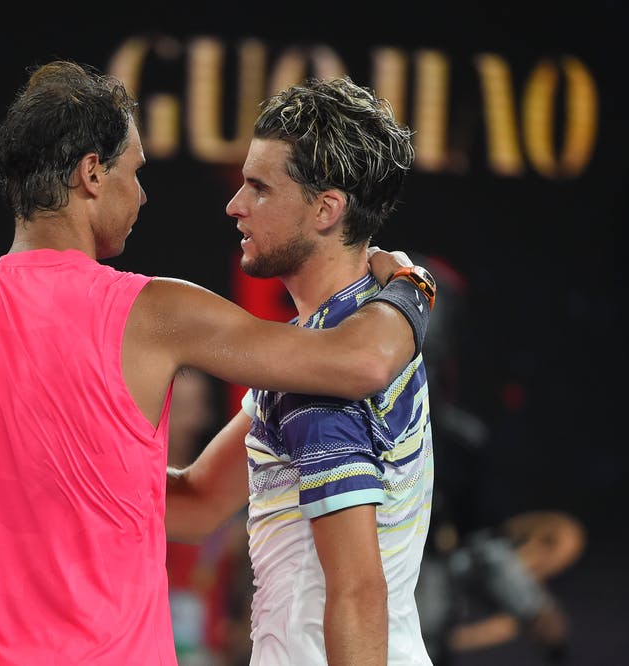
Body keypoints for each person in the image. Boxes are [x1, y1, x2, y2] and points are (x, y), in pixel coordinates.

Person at [0, 60, 434, 666]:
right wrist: (414, 287)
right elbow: (358, 361)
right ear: (92, 175)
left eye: (258, 187)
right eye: (135, 172)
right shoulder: (156, 315)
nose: (144, 194)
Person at [166, 76, 436, 665]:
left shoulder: (320, 374)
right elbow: (194, 504)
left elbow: (358, 591)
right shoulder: (326, 345)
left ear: (326, 209)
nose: (235, 205)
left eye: (259, 188)